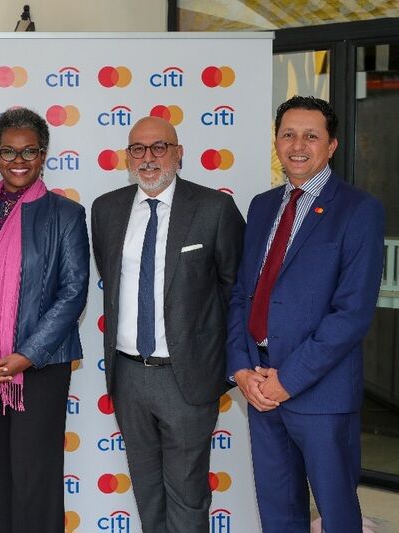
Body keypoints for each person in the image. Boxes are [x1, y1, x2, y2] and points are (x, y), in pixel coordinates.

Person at [227, 96, 385, 533]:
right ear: (276, 142)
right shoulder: (261, 206)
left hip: (321, 394)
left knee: (337, 517)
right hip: (259, 386)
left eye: (311, 136)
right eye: (288, 134)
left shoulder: (359, 210)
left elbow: (351, 313)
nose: (298, 145)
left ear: (331, 145)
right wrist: (241, 369)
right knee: (279, 515)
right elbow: (242, 294)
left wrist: (288, 380)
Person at [92, 116, 245, 533]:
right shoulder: (106, 210)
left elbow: (236, 293)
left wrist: (228, 366)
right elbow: (110, 277)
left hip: (187, 377)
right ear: (127, 157)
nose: (148, 157)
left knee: (187, 494)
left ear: (179, 153)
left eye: (159, 147)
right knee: (147, 491)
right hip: (127, 375)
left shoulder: (214, 209)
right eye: (138, 149)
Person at [0, 107, 89, 533]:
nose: (19, 160)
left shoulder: (65, 214)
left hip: (40, 368)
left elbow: (73, 292)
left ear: (43, 154)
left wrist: (25, 355)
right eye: (9, 151)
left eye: (29, 151)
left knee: (35, 479)